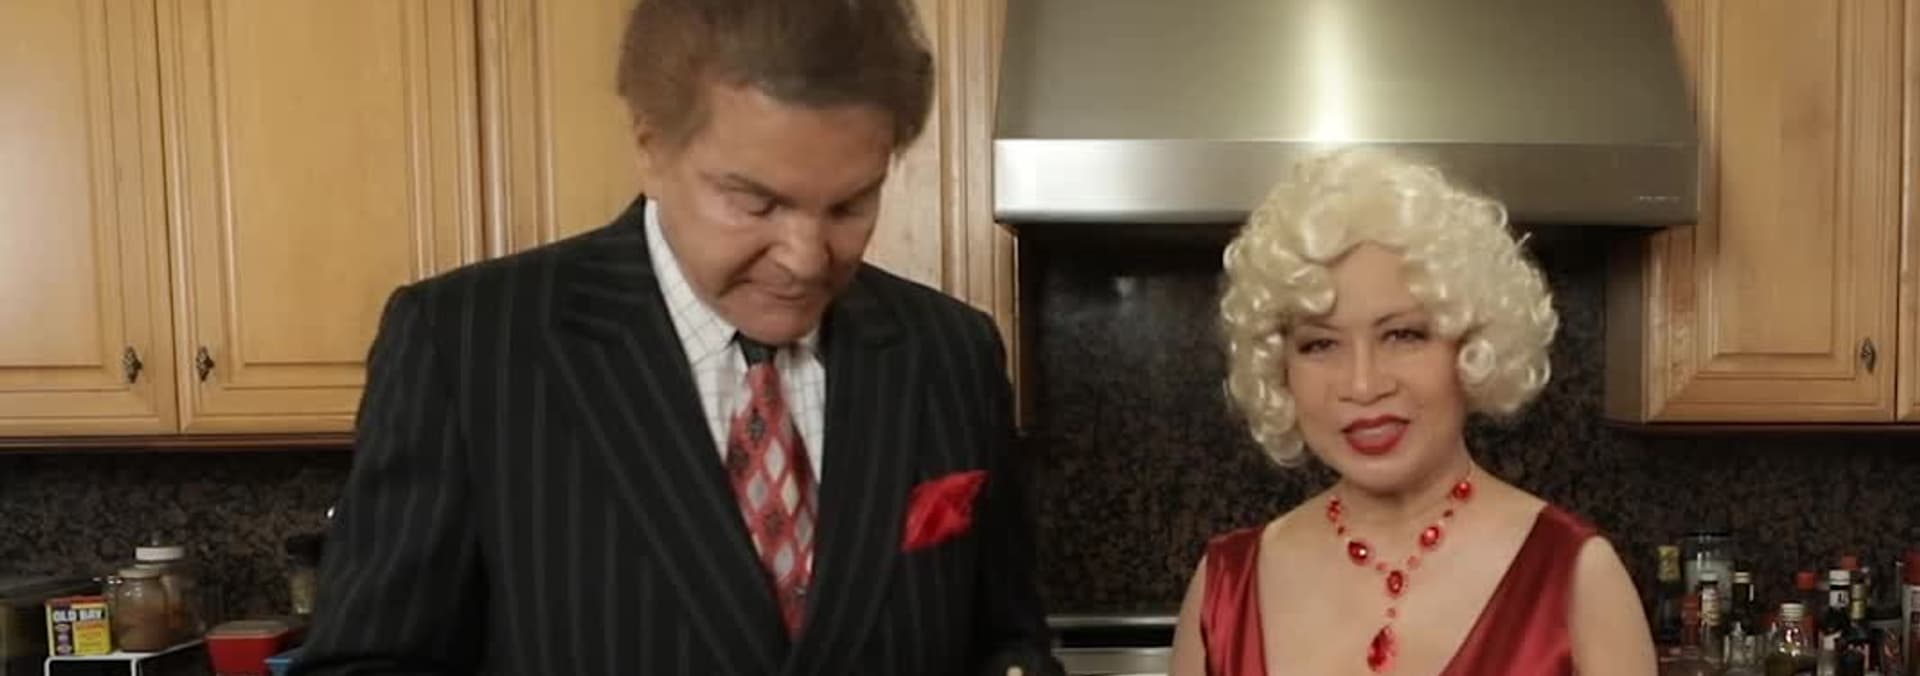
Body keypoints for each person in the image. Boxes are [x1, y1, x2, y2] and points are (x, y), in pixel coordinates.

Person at [290, 1, 1060, 674]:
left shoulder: (951, 352)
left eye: (850, 205)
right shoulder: (467, 345)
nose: (805, 258)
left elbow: (1004, 643)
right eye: (755, 203)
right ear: (652, 147)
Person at [1168, 149, 1656, 675]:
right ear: (1279, 367)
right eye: (1319, 344)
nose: (1363, 385)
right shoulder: (1223, 591)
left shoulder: (1579, 581)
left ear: (1472, 345)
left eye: (1403, 335)